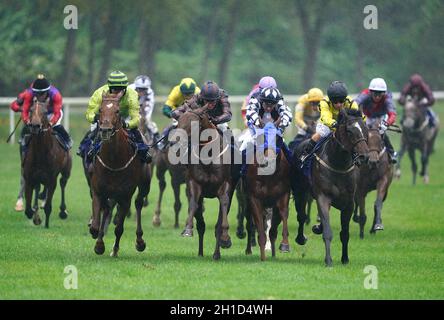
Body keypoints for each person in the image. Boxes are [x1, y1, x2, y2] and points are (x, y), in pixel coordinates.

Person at [78, 70, 151, 163]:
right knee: (91, 134)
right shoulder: (99, 93)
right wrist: (95, 118)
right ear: (110, 87)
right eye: (115, 89)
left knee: (136, 133)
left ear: (125, 88)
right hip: (104, 119)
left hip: (125, 118)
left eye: (121, 89)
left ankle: (143, 152)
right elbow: (89, 113)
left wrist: (127, 124)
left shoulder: (132, 94)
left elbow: (136, 118)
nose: (117, 92)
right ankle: (85, 151)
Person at [299, 81, 359, 163]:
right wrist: (334, 124)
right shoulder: (324, 102)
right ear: (330, 100)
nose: (339, 104)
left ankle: (358, 154)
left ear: (345, 98)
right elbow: (325, 117)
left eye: (341, 101)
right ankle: (306, 153)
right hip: (327, 123)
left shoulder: (351, 102)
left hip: (344, 123)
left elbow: (358, 116)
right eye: (335, 102)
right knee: (320, 133)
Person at [20, 74, 72, 151]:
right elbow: (25, 111)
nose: (40, 97)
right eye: (37, 94)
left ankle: (66, 142)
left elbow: (57, 113)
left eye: (42, 94)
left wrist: (51, 123)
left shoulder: (56, 95)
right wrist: (27, 121)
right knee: (28, 127)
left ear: (47, 91)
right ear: (34, 91)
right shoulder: (29, 94)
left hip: (52, 113)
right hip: (36, 113)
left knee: (56, 126)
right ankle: (23, 144)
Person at [355, 78, 397, 163]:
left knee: (382, 132)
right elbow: (355, 104)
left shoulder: (387, 97)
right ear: (370, 92)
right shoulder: (365, 94)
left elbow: (392, 114)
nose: (377, 96)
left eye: (380, 94)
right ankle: (357, 154)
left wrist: (387, 123)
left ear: (384, 93)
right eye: (375, 94)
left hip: (381, 117)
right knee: (362, 133)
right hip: (367, 116)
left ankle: (391, 152)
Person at [241, 86, 292, 154]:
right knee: (245, 145)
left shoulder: (280, 103)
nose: (268, 108)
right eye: (266, 104)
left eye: (271, 105)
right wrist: (257, 121)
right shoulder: (255, 101)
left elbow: (287, 114)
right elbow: (250, 112)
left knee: (287, 151)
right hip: (256, 131)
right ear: (262, 101)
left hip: (273, 131)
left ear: (276, 103)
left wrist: (281, 123)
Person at [160, 77, 200, 149]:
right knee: (173, 125)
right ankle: (162, 142)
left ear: (194, 91)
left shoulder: (198, 92)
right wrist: (171, 114)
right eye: (185, 94)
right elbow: (166, 108)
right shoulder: (176, 91)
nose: (188, 97)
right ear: (181, 91)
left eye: (190, 94)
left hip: (193, 113)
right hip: (178, 112)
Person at [129, 75, 160, 143]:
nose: (141, 92)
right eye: (139, 89)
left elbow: (149, 109)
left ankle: (158, 142)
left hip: (142, 109)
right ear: (136, 87)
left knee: (149, 121)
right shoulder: (129, 89)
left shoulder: (150, 92)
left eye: (144, 90)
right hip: (130, 109)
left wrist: (145, 117)